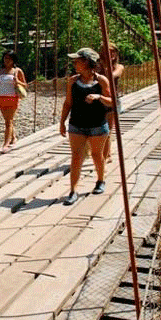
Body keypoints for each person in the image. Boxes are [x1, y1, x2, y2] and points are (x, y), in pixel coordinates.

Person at [59, 47, 113, 205]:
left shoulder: (102, 80)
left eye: (77, 61)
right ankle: (73, 191)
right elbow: (68, 103)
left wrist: (99, 97)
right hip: (77, 124)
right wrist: (62, 122)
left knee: (97, 155)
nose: (74, 63)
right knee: (76, 157)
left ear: (87, 62)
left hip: (98, 125)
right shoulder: (72, 81)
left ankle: (100, 180)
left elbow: (111, 102)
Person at [0, 49, 28, 154]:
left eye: (9, 58)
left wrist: (18, 82)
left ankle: (6, 144)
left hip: (12, 97)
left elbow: (25, 85)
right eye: (5, 58)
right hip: (1, 97)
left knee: (8, 121)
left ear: (13, 60)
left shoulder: (17, 71)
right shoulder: (0, 71)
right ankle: (13, 138)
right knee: (7, 120)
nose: (7, 60)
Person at [99, 44, 125, 164]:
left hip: (112, 101)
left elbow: (112, 75)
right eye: (107, 52)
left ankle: (106, 154)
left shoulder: (119, 67)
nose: (110, 54)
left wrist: (104, 67)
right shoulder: (97, 66)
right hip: (99, 100)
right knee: (98, 129)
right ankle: (103, 152)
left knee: (107, 129)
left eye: (112, 52)